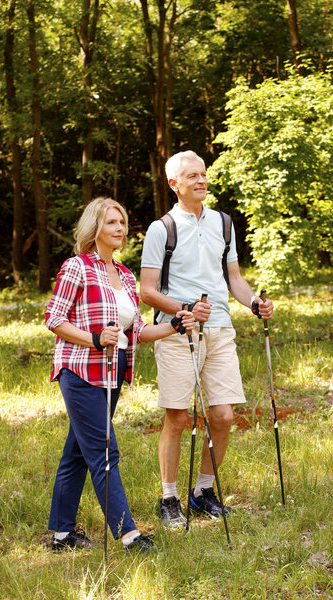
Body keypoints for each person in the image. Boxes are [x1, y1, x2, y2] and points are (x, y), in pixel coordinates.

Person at [45, 196, 194, 552]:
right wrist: (94, 339)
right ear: (95, 227)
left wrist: (174, 325)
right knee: (104, 451)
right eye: (112, 222)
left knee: (78, 453)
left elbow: (137, 330)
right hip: (80, 370)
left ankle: (62, 535)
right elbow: (55, 319)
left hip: (114, 372)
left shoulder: (125, 275)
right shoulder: (77, 267)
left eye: (123, 223)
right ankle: (129, 535)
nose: (120, 229)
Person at [140, 150, 274, 529]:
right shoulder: (160, 229)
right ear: (174, 184)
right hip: (178, 331)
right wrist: (184, 308)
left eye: (203, 174)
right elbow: (147, 290)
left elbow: (233, 277)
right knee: (178, 418)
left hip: (220, 330)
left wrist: (253, 302)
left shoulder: (224, 223)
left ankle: (202, 493)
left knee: (223, 415)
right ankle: (168, 498)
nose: (201, 180)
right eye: (192, 176)